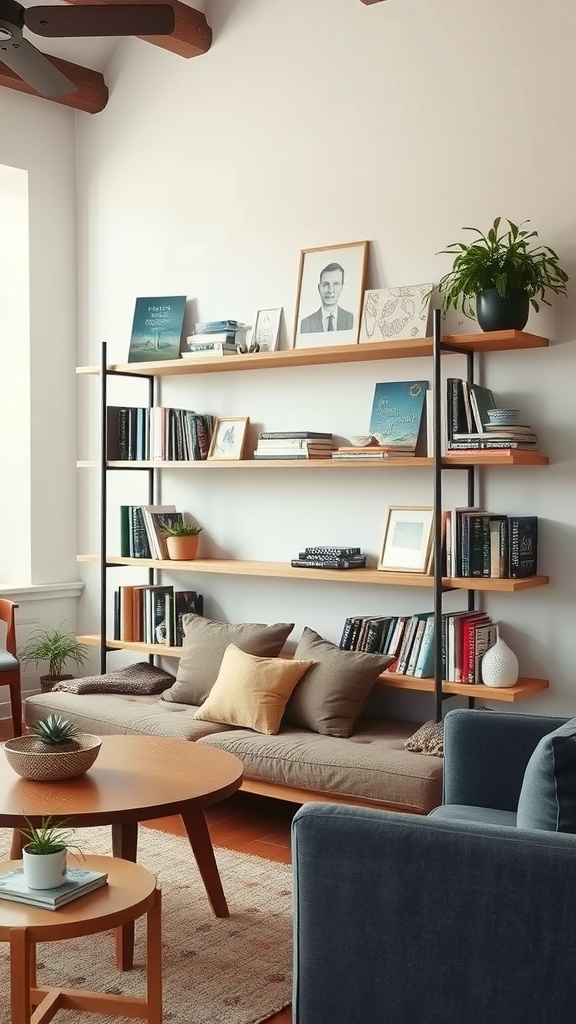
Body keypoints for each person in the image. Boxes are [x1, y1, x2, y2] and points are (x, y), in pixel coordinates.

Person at [300, 262, 354, 333]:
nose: (330, 290)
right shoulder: (306, 323)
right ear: (319, 288)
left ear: (341, 287)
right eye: (326, 284)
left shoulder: (351, 319)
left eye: (336, 284)